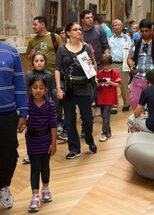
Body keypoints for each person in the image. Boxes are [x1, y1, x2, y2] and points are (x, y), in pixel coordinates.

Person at [55, 22, 97, 159]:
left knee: (87, 119)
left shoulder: (86, 48)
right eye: (75, 29)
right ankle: (74, 149)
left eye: (80, 29)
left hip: (84, 88)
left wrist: (94, 77)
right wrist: (58, 88)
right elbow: (57, 69)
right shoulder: (62, 49)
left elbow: (92, 68)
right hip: (68, 89)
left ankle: (90, 140)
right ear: (68, 33)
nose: (79, 31)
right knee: (70, 120)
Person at [0, 41, 28, 210]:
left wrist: (24, 112)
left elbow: (19, 84)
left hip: (7, 114)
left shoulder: (11, 52)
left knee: (9, 154)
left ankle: (3, 186)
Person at [24, 77, 57, 212]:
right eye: (35, 87)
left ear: (46, 90)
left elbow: (53, 125)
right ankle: (35, 196)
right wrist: (20, 125)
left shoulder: (50, 104)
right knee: (35, 167)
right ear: (30, 89)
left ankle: (46, 188)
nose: (38, 90)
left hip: (46, 139)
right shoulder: (26, 104)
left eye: (41, 88)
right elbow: (22, 122)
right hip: (32, 140)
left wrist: (53, 143)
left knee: (45, 166)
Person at [127, 19, 154, 110]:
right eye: (142, 31)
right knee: (135, 102)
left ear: (151, 30)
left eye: (146, 31)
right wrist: (131, 66)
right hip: (138, 77)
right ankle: (138, 122)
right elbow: (129, 58)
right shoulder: (136, 43)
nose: (144, 33)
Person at [108, 19, 132, 113]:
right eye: (115, 25)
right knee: (113, 86)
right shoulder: (110, 39)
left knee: (124, 85)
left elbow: (130, 52)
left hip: (124, 64)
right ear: (112, 27)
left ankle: (126, 103)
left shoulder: (127, 38)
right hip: (113, 64)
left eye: (119, 25)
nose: (117, 27)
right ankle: (114, 106)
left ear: (122, 27)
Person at [97, 54, 121, 142]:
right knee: (104, 116)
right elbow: (97, 84)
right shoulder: (100, 73)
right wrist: (99, 83)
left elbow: (118, 84)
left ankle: (104, 133)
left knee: (106, 115)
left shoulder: (114, 72)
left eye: (107, 65)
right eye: (104, 65)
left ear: (110, 64)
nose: (105, 67)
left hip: (110, 97)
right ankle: (108, 132)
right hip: (101, 96)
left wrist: (111, 83)